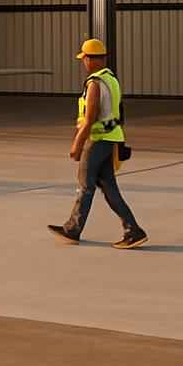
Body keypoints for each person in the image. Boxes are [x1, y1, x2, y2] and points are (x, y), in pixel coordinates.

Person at [47, 38, 149, 249]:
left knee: (85, 184)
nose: (83, 62)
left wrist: (77, 144)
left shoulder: (95, 83)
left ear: (91, 59)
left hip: (98, 140)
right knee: (109, 187)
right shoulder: (111, 79)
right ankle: (133, 230)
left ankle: (73, 229)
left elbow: (90, 118)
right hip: (111, 138)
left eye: (84, 58)